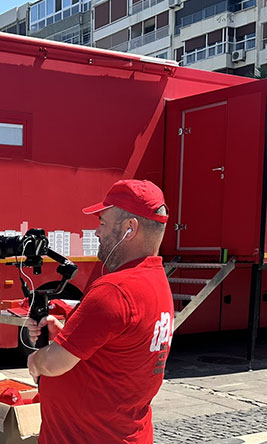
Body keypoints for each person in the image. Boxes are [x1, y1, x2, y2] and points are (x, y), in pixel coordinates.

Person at [26, 179, 175, 444]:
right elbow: (117, 350)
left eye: (103, 223)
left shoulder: (115, 289)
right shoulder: (156, 282)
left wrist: (36, 360)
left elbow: (53, 364)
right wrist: (67, 335)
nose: (97, 233)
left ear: (130, 228)